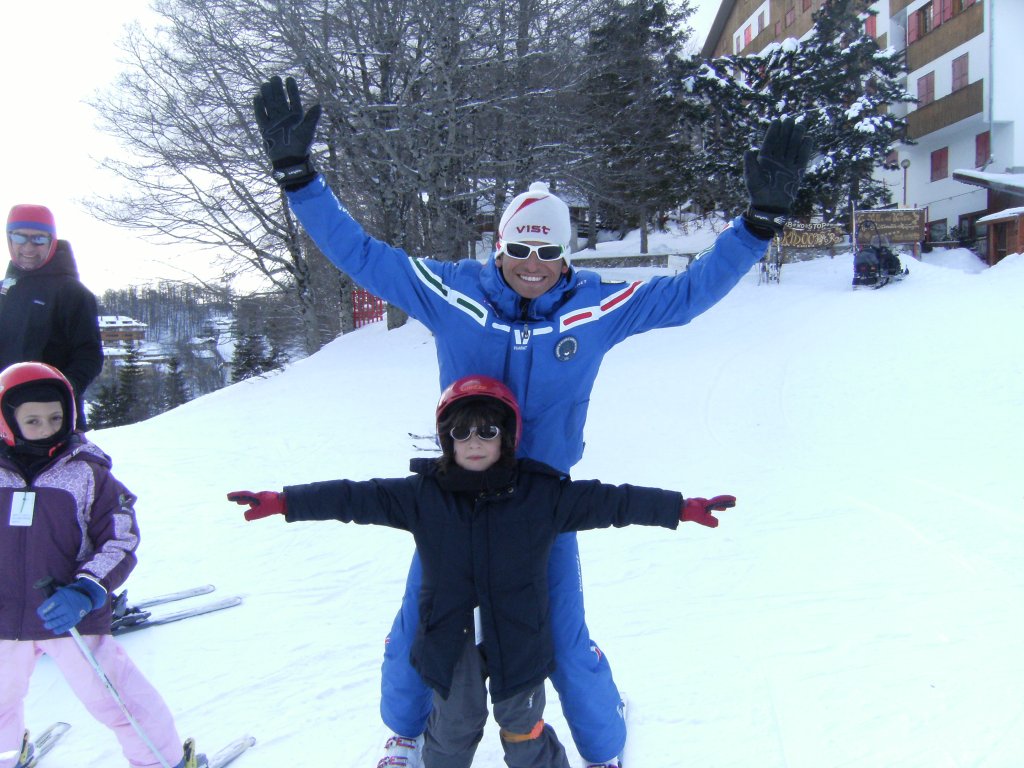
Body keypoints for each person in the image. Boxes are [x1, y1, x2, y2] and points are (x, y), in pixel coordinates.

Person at [252, 75, 811, 768]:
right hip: (457, 492)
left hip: (541, 500)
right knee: (417, 626)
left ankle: (603, 748)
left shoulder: (596, 309)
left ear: (566, 255)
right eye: (521, 249)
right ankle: (404, 733)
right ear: (500, 246)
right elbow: (362, 255)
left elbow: (690, 294)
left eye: (549, 252)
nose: (533, 265)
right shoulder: (453, 293)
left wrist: (755, 226)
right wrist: (300, 178)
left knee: (565, 640)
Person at [228, 375, 736, 768]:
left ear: (506, 437)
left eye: (487, 431)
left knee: (521, 727)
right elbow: (353, 496)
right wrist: (283, 502)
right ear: (447, 439)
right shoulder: (422, 495)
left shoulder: (542, 496)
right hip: (449, 640)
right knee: (453, 727)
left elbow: (615, 502)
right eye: (461, 432)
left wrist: (680, 508)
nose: (474, 442)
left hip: (519, 637)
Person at [0, 362, 203, 768]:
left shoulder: (88, 475)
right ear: (7, 423)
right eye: (33, 420)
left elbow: (121, 537)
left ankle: (162, 761)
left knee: (119, 699)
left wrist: (88, 588)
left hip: (68, 615)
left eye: (56, 417)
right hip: (2, 619)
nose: (47, 427)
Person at [0, 205, 103, 428]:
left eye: (38, 239)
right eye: (19, 237)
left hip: (53, 420)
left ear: (51, 241)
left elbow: (89, 355)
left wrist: (63, 390)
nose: (28, 247)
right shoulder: (4, 291)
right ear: (9, 239)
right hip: (5, 415)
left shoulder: (73, 293)